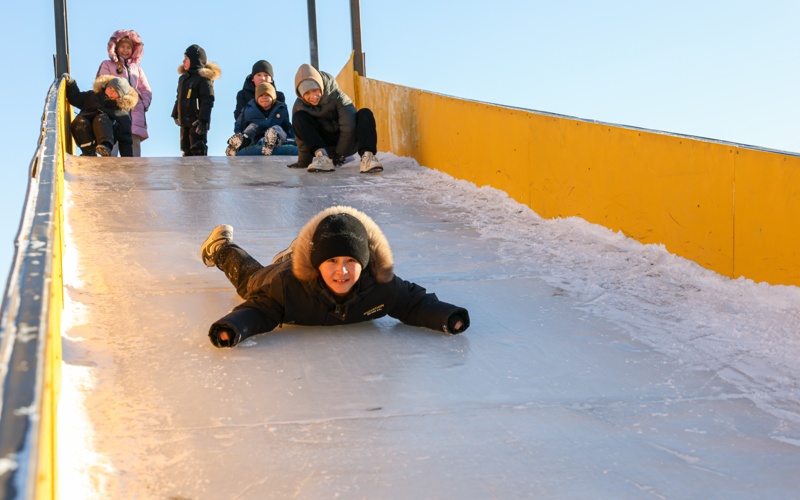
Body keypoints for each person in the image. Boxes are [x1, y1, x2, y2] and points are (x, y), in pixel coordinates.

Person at [200, 205, 470, 347]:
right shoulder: (286, 287)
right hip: (285, 273)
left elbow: (413, 302)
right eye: (332, 261)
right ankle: (220, 247)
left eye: (351, 261)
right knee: (250, 283)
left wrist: (447, 317)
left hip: (308, 260)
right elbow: (260, 310)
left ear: (364, 263)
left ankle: (299, 251)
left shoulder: (380, 286)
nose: (342, 271)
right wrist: (232, 328)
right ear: (318, 263)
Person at [289, 64, 383, 174]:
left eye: (315, 90)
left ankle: (367, 157)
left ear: (321, 85)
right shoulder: (299, 106)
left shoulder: (337, 96)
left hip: (347, 141)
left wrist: (339, 154)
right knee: (298, 117)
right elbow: (301, 137)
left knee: (365, 113)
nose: (313, 96)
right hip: (324, 143)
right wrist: (303, 162)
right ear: (301, 95)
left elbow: (349, 127)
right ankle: (321, 156)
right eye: (307, 93)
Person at [96, 29, 152, 156]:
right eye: (122, 47)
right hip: (114, 109)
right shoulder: (107, 65)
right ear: (115, 48)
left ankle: (134, 166)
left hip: (135, 112)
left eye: (128, 47)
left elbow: (145, 88)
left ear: (134, 50)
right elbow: (102, 82)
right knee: (113, 140)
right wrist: (111, 100)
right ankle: (110, 165)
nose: (125, 50)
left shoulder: (137, 69)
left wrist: (143, 104)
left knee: (133, 143)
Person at [64, 73, 138, 157]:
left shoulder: (120, 113)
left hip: (106, 133)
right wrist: (71, 84)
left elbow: (125, 138)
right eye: (110, 88)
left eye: (115, 91)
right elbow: (76, 98)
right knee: (79, 122)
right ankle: (88, 151)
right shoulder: (93, 96)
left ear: (120, 96)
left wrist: (127, 158)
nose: (111, 91)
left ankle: (105, 147)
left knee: (101, 118)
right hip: (87, 130)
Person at [171, 44, 221, 156]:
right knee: (185, 147)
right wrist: (175, 113)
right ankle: (186, 166)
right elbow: (179, 97)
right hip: (184, 121)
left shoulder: (203, 79)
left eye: (186, 58)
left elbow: (207, 100)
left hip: (197, 122)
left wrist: (203, 121)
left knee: (197, 147)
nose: (183, 61)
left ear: (194, 61)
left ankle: (199, 166)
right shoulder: (183, 79)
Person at [225, 81, 293, 156]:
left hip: (276, 135)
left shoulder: (280, 109)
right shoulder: (249, 110)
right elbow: (239, 124)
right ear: (256, 98)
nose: (264, 97)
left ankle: (270, 142)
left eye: (268, 95)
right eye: (261, 95)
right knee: (252, 127)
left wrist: (294, 139)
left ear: (273, 97)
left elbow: (287, 127)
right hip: (255, 138)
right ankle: (240, 142)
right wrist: (239, 133)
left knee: (277, 128)